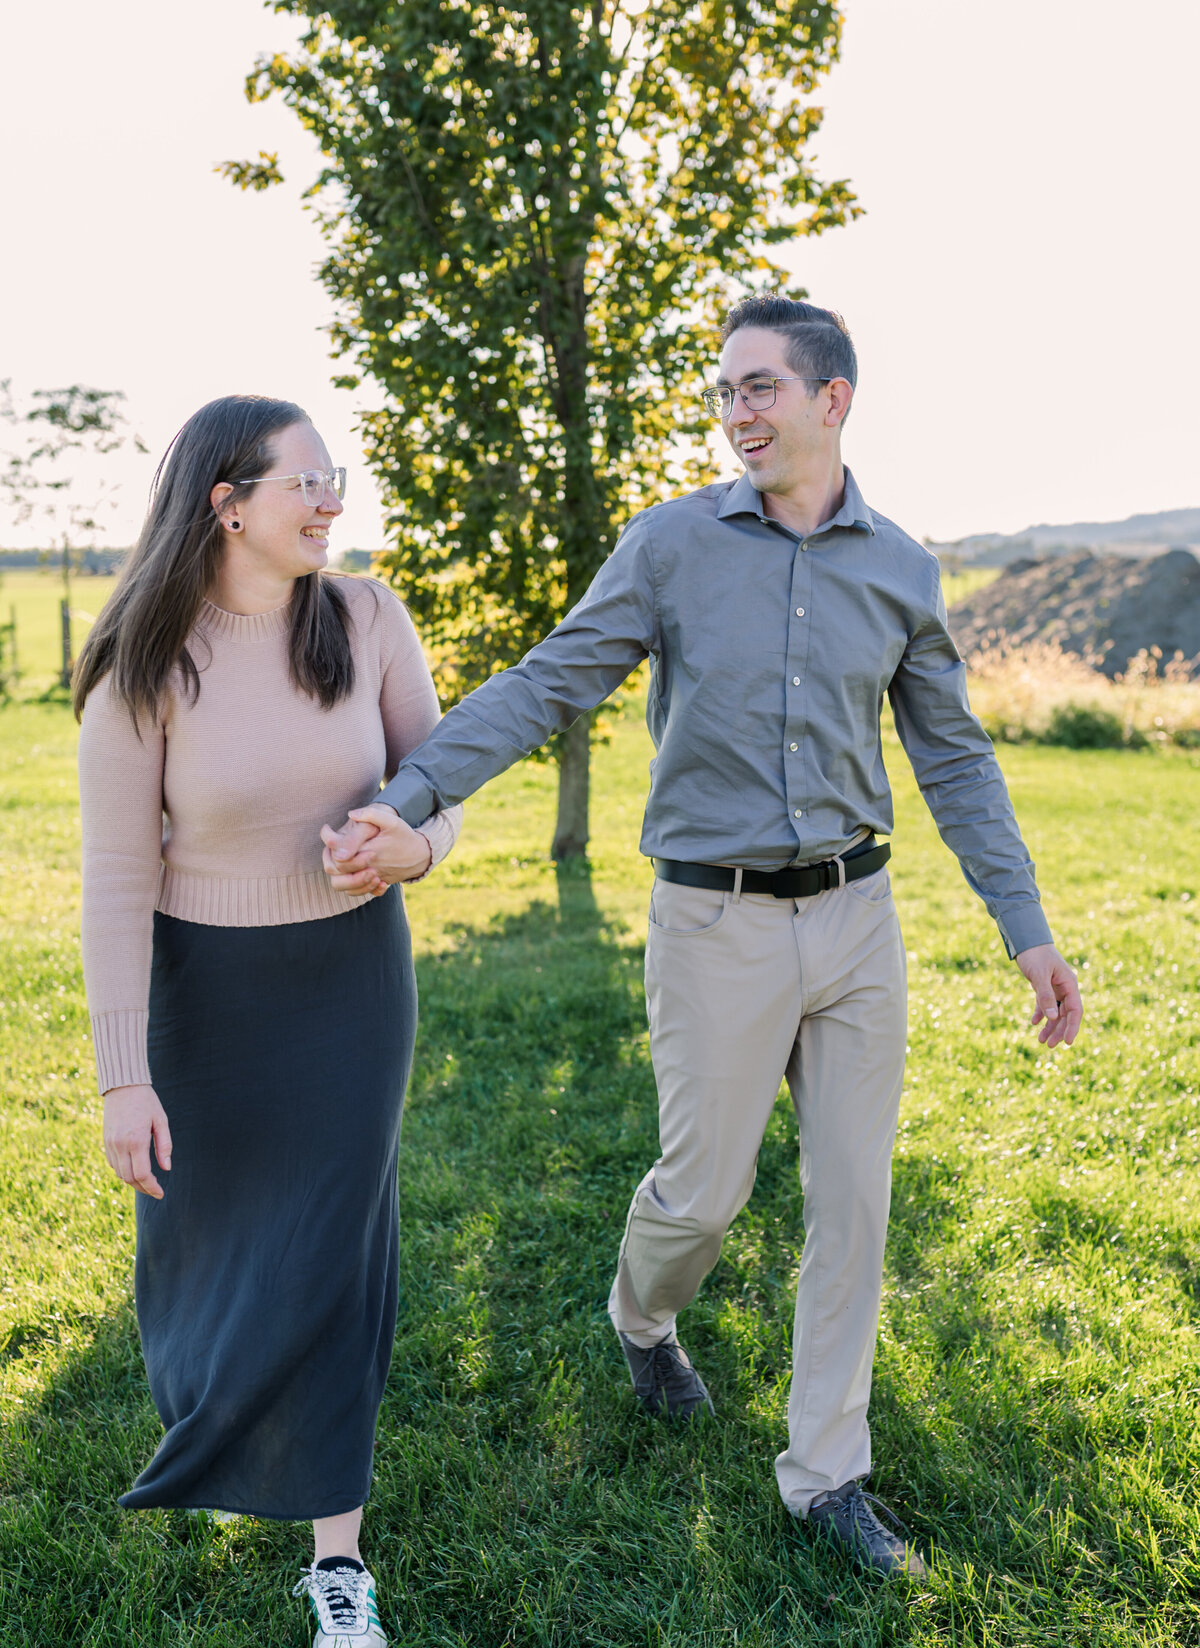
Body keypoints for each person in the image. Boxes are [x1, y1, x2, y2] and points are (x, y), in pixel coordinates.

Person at [324, 297, 1083, 1580]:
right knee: (704, 1191)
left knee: (854, 1200)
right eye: (726, 390)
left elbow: (953, 758)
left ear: (834, 399)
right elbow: (550, 681)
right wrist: (409, 799)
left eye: (761, 389)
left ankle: (824, 1472)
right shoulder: (670, 546)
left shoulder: (901, 566)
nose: (737, 413)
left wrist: (1028, 929)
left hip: (856, 919)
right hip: (713, 920)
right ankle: (643, 1312)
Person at [75, 395, 461, 1648]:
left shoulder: (366, 617)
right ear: (226, 502)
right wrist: (123, 1076)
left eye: (334, 475)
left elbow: (437, 781)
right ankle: (226, 1430)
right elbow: (118, 881)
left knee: (336, 1257)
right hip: (204, 994)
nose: (332, 500)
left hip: (350, 987)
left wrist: (414, 845)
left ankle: (338, 1558)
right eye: (308, 479)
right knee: (208, 1249)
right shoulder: (144, 658)